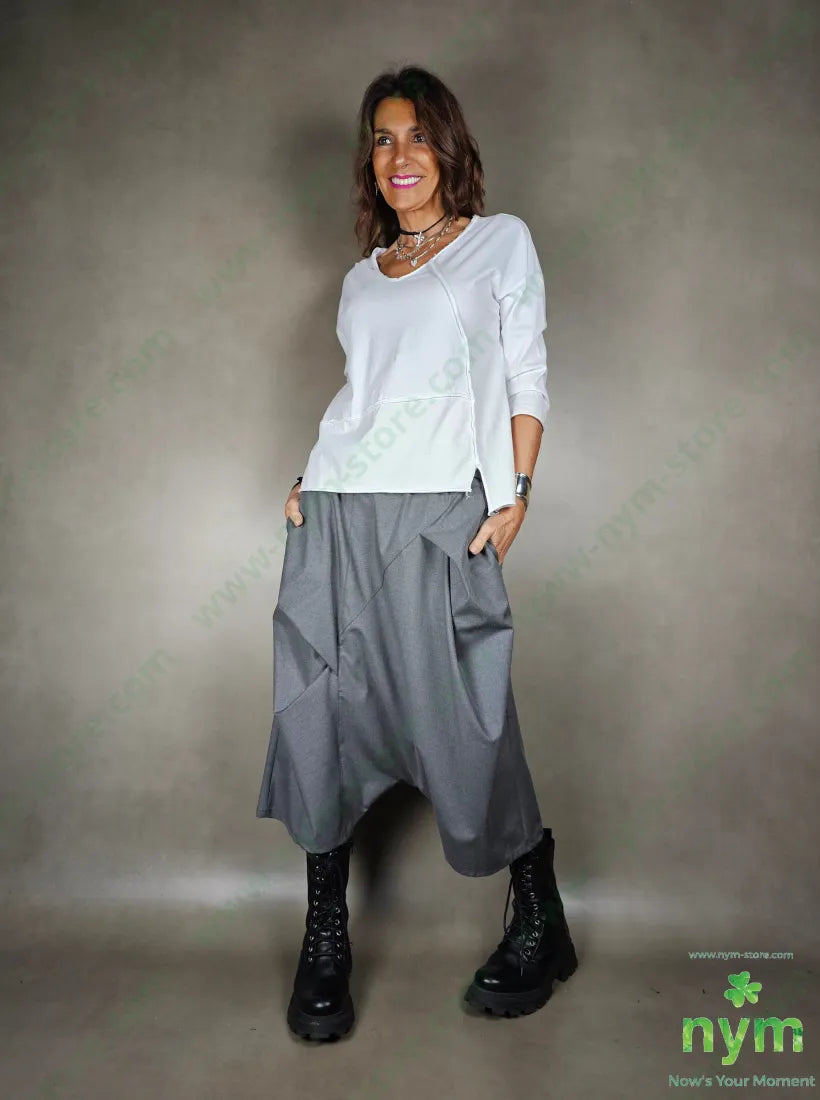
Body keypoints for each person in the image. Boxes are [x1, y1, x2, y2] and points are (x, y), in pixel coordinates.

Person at [256, 64, 577, 1042]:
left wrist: (515, 493)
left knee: (463, 718)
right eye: (383, 138)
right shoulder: (362, 277)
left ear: (448, 146)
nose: (400, 155)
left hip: (442, 509)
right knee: (322, 707)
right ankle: (325, 935)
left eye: (417, 136)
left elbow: (526, 370)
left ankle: (538, 914)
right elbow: (365, 399)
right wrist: (313, 476)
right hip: (338, 513)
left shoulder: (498, 243)